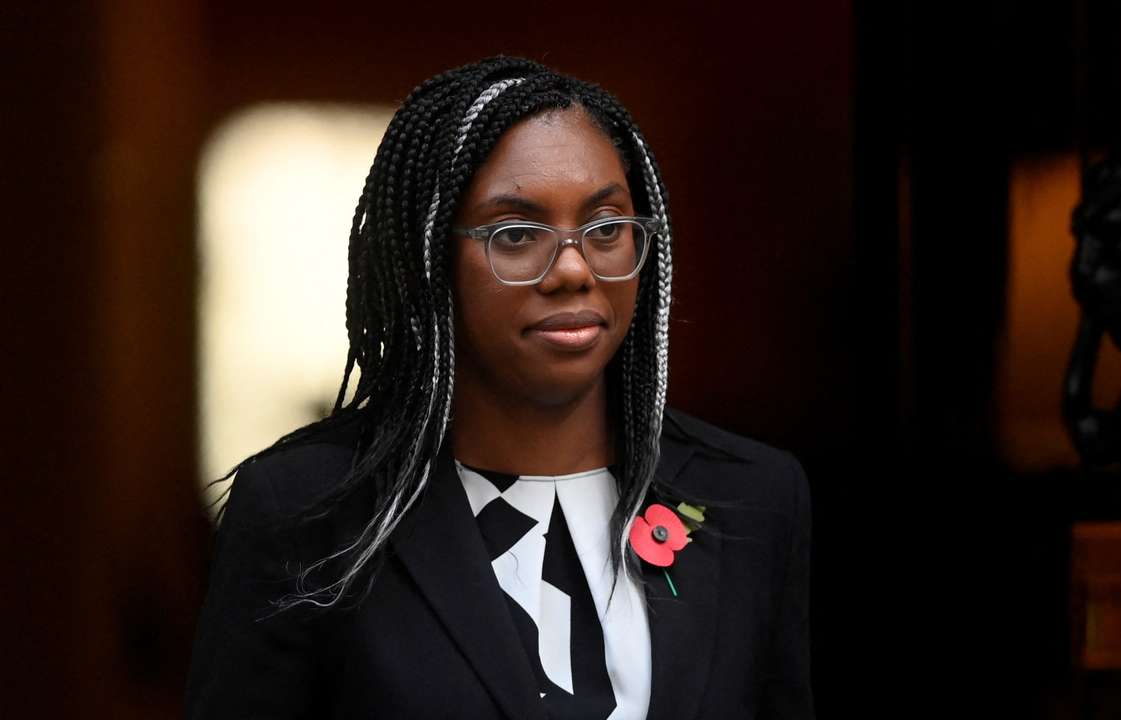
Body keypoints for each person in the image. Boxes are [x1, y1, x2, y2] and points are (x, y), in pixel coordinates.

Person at [183, 55, 813, 720]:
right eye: (515, 234)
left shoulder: (754, 500)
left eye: (606, 228)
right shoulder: (307, 516)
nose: (573, 269)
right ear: (428, 259)